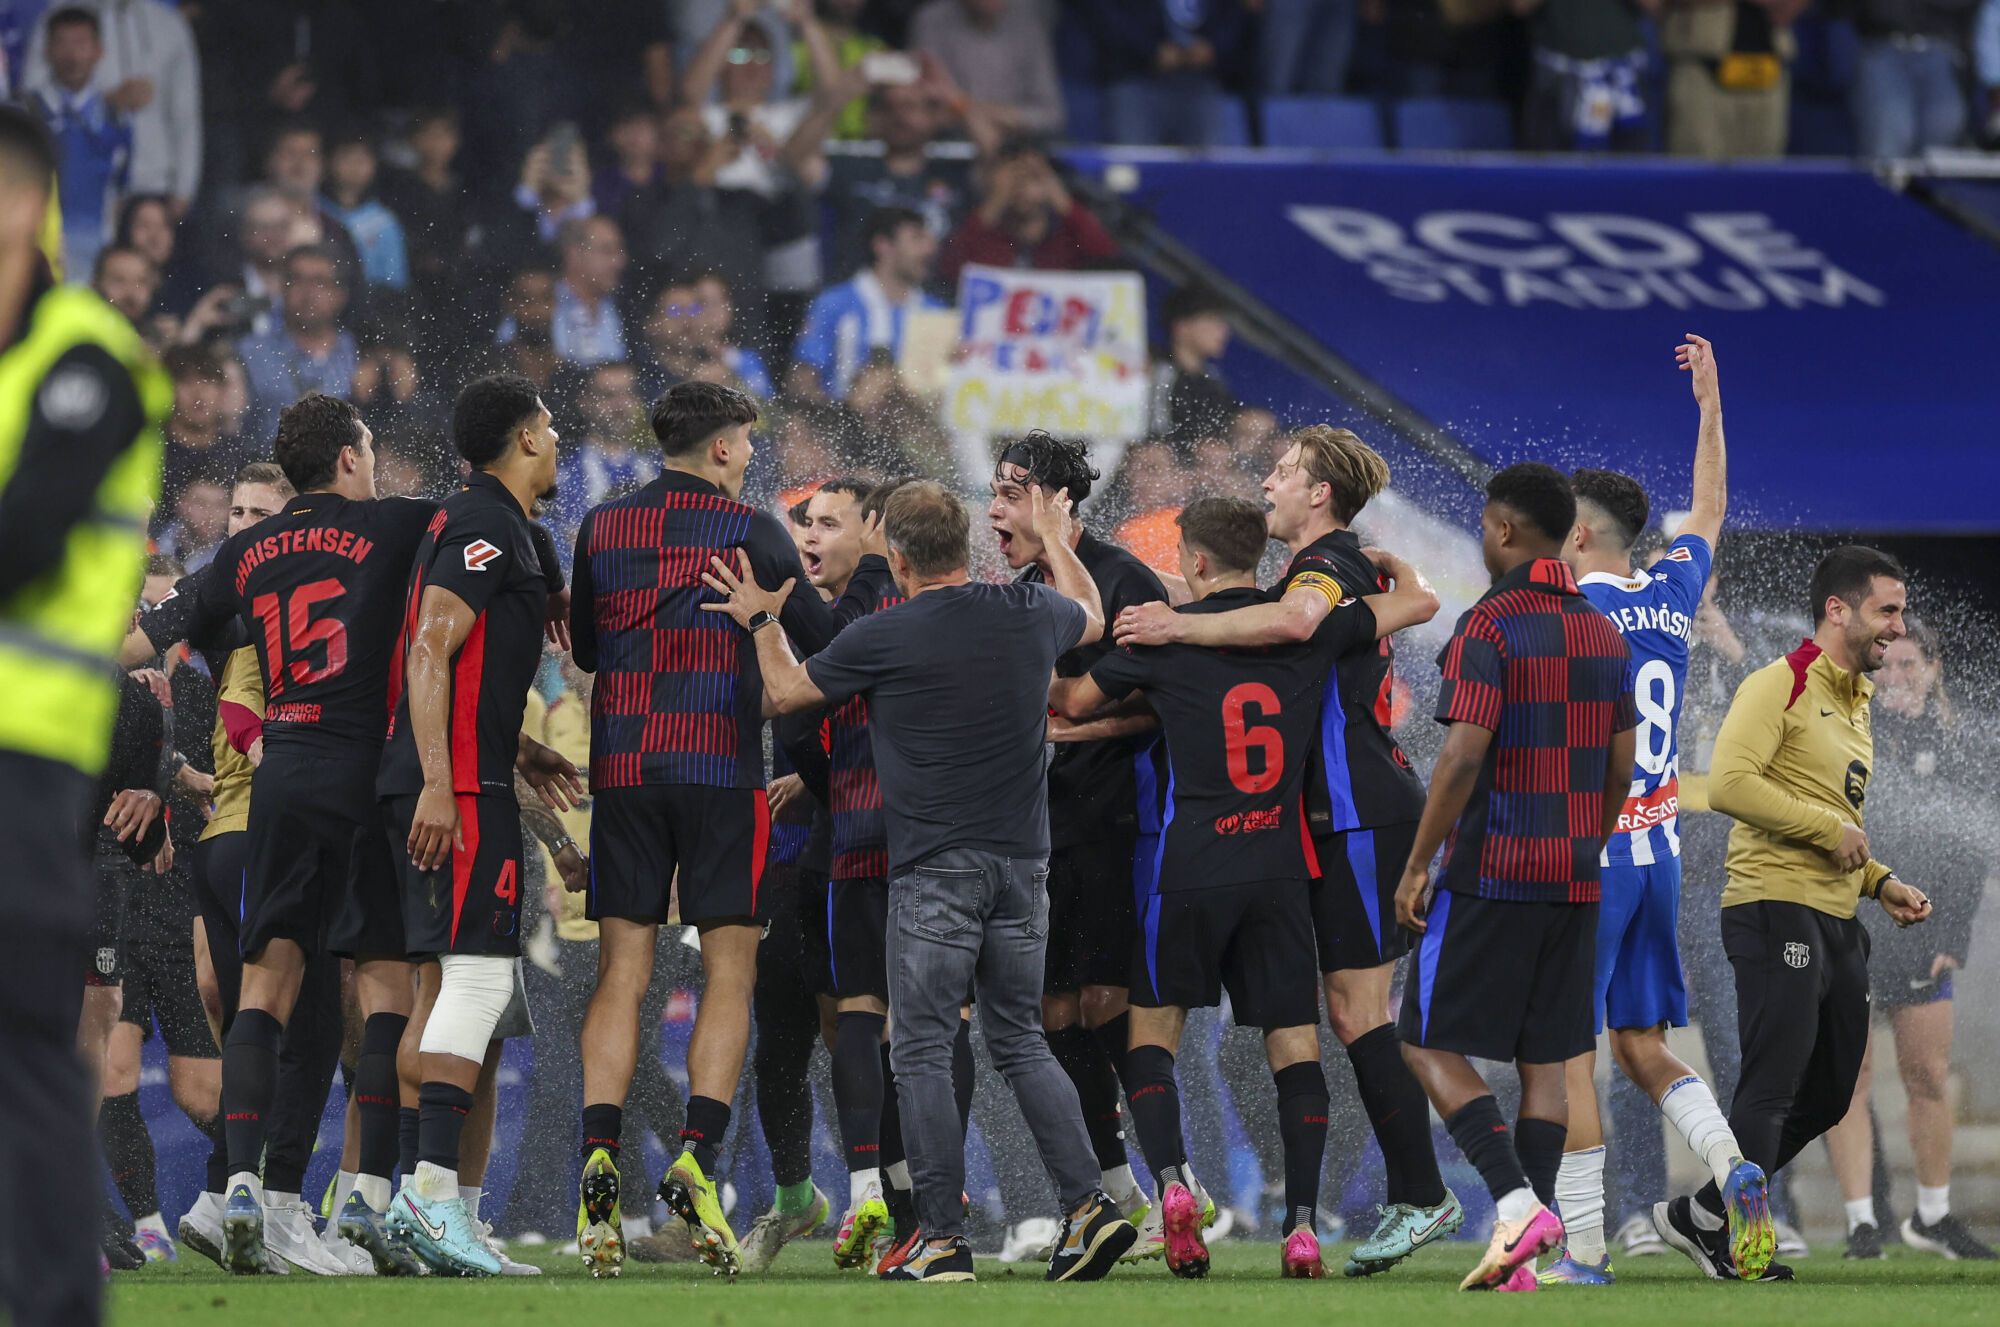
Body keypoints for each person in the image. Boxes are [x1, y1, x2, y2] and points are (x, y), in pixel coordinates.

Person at [123, 394, 572, 1275]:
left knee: (267, 986)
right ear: (350, 458)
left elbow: (148, 636)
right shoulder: (394, 524)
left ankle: (245, 1189)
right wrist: (551, 577)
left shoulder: (247, 549)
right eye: (367, 446)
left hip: (278, 779)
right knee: (383, 991)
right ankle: (369, 1197)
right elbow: (494, 510)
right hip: (366, 779)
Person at [703, 478, 1138, 1285]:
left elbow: (790, 693)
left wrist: (761, 619)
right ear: (965, 546)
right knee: (1018, 1040)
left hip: (934, 869)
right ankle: (1089, 1205)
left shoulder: (889, 631)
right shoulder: (1028, 609)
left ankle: (940, 1236)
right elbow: (1097, 616)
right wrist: (1056, 538)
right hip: (1023, 868)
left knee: (925, 1050)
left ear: (894, 558)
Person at [1052, 496, 1441, 1281]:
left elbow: (1072, 701)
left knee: (1151, 1037)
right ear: (1260, 560)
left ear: (1193, 561)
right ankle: (1300, 1227)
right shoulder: (1304, 630)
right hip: (1280, 868)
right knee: (1294, 1047)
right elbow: (1411, 606)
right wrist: (1400, 576)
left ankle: (1170, 1189)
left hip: (1191, 865)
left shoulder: (1160, 638)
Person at [566, 380, 839, 1276]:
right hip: (720, 766)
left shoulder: (601, 527)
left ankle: (598, 1164)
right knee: (731, 964)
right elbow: (825, 639)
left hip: (626, 769)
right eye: (749, 442)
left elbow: (593, 650)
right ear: (721, 447)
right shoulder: (751, 530)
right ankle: (694, 1160)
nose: (753, 456)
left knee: (623, 970)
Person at [1534, 333, 1769, 1285]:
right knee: (1640, 1044)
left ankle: (1583, 1248)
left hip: (1592, 855)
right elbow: (1709, 505)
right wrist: (1710, 406)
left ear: (1578, 535)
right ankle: (1730, 1165)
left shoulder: (1565, 608)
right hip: (1661, 848)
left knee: (1560, 1050)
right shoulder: (1673, 590)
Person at [1651, 545, 1934, 1282]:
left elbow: (1838, 825)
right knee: (1771, 1081)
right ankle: (1735, 1242)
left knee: (1834, 1086)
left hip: (1839, 914)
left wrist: (1881, 880)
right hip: (1770, 904)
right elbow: (1731, 785)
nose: (1897, 630)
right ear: (1837, 610)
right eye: (1887, 611)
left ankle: (1701, 1210)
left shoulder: (1858, 702)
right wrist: (1827, 833)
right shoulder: (1778, 681)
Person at [1392, 462, 1637, 1293]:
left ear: (1502, 530)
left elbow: (1462, 752)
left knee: (1421, 1037)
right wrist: (1587, 841)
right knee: (1546, 1059)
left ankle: (1512, 1199)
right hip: (1574, 875)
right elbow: (1621, 762)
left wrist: (1420, 862)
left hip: (1491, 867)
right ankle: (1527, 1242)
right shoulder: (1605, 633)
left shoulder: (1488, 627)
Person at [0, 104, 165, 1327]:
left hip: (26, 767)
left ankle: (57, 1301)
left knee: (22, 1048)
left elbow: (21, 543)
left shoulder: (84, 358)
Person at [376, 373, 567, 1275]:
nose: (560, 443)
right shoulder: (489, 524)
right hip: (455, 790)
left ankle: (425, 1208)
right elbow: (429, 647)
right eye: (553, 428)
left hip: (468, 774)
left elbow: (472, 666)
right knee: (479, 985)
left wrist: (522, 749)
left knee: (446, 990)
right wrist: (445, 784)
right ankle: (429, 1195)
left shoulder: (486, 521)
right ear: (526, 437)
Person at [989, 431, 1165, 1232]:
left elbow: (1086, 700)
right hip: (1037, 829)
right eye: (994, 490)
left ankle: (1177, 1182)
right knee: (1053, 1011)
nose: (996, 508)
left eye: (1014, 491)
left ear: (1060, 502)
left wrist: (1052, 719)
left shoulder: (1129, 581)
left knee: (1105, 1002)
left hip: (1113, 824)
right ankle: (1113, 1186)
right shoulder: (1022, 588)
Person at [1821, 618, 1997, 1261]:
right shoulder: (1848, 731)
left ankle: (1933, 1215)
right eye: (1885, 667)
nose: (1896, 678)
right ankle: (1862, 1223)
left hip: (1925, 932)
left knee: (1926, 1073)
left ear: (1934, 668)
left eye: (1909, 665)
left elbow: (1974, 850)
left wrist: (1954, 934)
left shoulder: (1964, 742)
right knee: (1851, 1076)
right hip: (1853, 928)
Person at [790, 477, 917, 1269]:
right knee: (881, 1023)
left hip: (871, 838)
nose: (810, 537)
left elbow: (802, 704)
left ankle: (886, 1190)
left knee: (871, 1018)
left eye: (828, 523)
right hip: (888, 833)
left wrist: (767, 615)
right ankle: (908, 1197)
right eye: (804, 522)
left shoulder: (870, 598)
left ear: (874, 528)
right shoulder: (883, 598)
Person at [24, 0, 202, 212]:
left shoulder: (169, 24)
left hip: (154, 184)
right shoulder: (61, 14)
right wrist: (102, 102)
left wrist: (184, 188)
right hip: (81, 186)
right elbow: (32, 95)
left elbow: (185, 114)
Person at [790, 205, 943, 402]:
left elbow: (940, 391)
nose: (930, 249)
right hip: (843, 423)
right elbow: (800, 381)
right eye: (917, 239)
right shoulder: (834, 304)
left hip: (911, 426)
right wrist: (841, 414)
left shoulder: (936, 313)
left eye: (929, 240)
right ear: (882, 245)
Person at [24, 5, 130, 276]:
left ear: (98, 51)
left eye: (81, 44)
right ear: (47, 51)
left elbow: (121, 189)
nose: (72, 55)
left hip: (96, 248)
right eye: (62, 43)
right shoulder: (25, 113)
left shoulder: (116, 117)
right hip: (34, 246)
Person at [936, 143, 1118, 289]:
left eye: (1032, 177)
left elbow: (1105, 257)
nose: (1021, 188)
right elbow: (950, 268)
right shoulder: (983, 234)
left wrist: (1061, 199)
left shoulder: (1068, 234)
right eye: (1013, 180)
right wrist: (995, 201)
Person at [235, 245, 358, 443]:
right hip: (269, 468)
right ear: (283, 289)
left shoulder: (358, 353)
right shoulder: (250, 352)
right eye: (297, 280)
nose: (308, 293)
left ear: (340, 295)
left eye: (319, 282)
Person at [910, 0, 1065, 137]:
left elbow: (1052, 114)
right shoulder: (932, 20)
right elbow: (926, 103)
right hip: (952, 140)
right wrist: (967, 113)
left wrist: (1001, 116)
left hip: (1017, 141)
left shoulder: (1028, 22)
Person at [1147, 284, 1238, 453]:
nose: (1224, 330)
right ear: (1181, 327)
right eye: (1212, 320)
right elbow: (1156, 432)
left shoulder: (1212, 377)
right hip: (1165, 463)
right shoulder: (1157, 371)